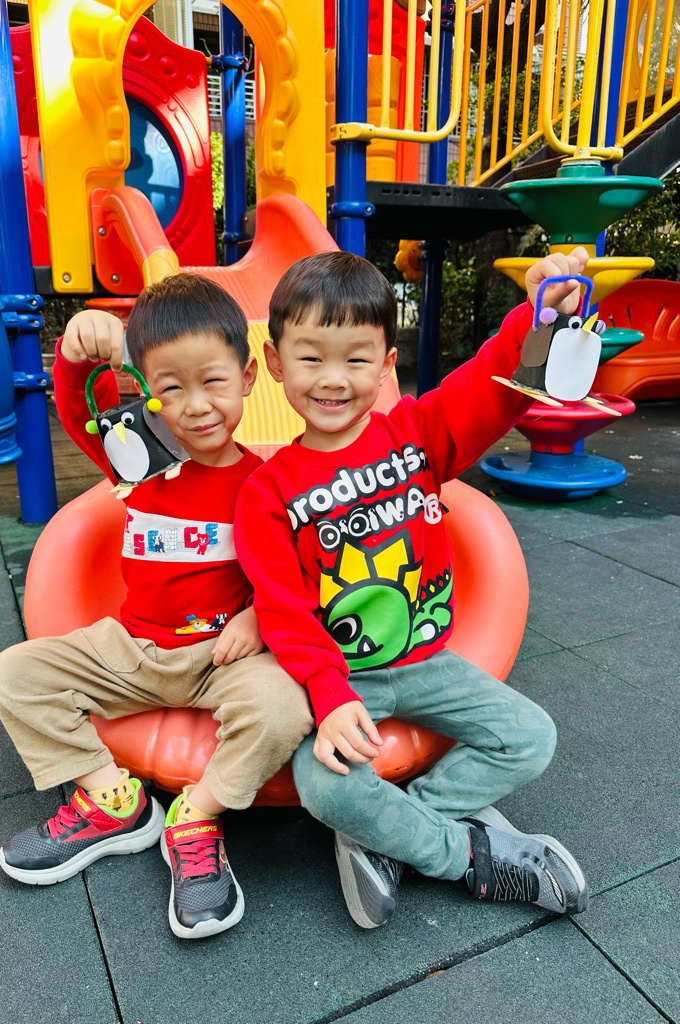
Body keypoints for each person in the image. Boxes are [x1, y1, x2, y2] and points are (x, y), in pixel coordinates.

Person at [234, 248, 590, 929]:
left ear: (386, 365)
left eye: (356, 358)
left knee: (531, 738)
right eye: (310, 358)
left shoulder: (415, 434)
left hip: (430, 663)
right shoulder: (268, 491)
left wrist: (535, 317)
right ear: (275, 362)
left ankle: (387, 834)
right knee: (323, 788)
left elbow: (488, 386)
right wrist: (330, 696)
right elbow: (283, 607)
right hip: (346, 678)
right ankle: (468, 858)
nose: (333, 379)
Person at [0, 275, 313, 939]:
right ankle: (115, 801)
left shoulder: (266, 483)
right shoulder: (139, 459)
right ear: (148, 393)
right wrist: (76, 355)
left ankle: (197, 816)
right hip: (134, 650)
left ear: (249, 378)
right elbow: (80, 406)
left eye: (213, 382)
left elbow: (300, 573)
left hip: (223, 657)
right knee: (12, 675)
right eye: (171, 389)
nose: (196, 406)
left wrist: (258, 616)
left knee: (285, 708)